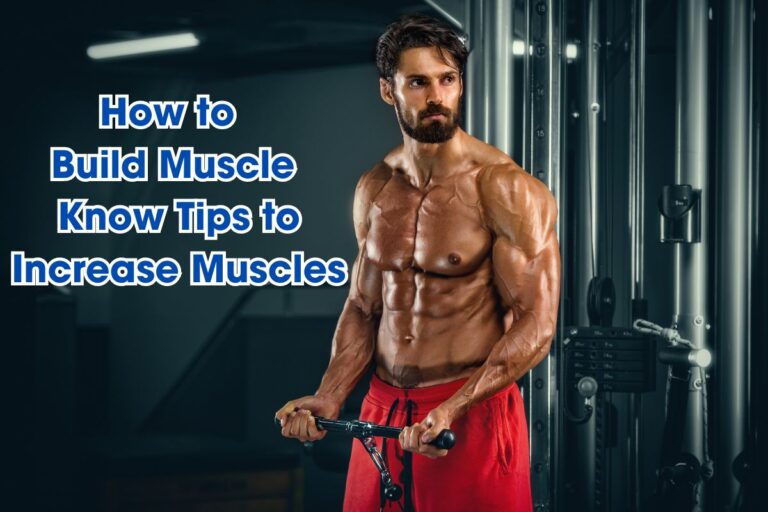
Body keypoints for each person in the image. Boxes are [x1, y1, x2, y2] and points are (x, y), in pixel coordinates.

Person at [275, 14, 561, 512]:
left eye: (448, 79)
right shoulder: (376, 187)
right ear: (389, 91)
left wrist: (454, 406)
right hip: (383, 410)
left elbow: (537, 322)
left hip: (469, 411)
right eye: (419, 82)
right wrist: (329, 395)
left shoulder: (504, 188)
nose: (437, 96)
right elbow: (363, 307)